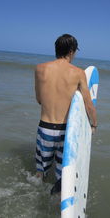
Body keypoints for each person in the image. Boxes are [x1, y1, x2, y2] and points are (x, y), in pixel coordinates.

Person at [35, 34, 97, 194]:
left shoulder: (40, 68)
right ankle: (57, 201)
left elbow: (39, 99)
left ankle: (36, 191)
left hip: (45, 128)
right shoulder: (78, 73)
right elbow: (88, 104)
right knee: (63, 174)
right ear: (71, 51)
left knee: (40, 170)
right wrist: (94, 124)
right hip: (66, 131)